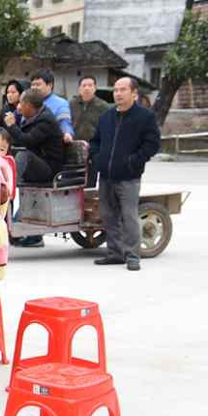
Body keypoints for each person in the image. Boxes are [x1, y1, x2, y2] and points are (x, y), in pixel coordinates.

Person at [90, 77, 161, 272]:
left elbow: (152, 144)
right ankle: (115, 253)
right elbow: (95, 141)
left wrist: (133, 161)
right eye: (116, 90)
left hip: (129, 177)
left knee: (129, 217)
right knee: (107, 215)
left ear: (134, 93)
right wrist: (97, 159)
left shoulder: (145, 117)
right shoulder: (106, 116)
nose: (118, 94)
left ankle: (132, 256)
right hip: (106, 176)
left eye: (123, 90)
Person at [3, 88, 65, 184]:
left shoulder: (46, 120)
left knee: (24, 155)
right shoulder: (31, 116)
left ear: (28, 106)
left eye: (21, 103)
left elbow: (27, 141)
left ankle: (12, 185)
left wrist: (12, 126)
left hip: (49, 167)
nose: (18, 107)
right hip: (38, 162)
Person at [71, 76, 110, 188]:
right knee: (73, 179)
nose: (87, 88)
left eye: (90, 85)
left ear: (95, 88)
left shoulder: (103, 106)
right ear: (79, 88)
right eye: (84, 85)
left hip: (94, 148)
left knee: (90, 181)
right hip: (74, 147)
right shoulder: (72, 104)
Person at [30, 69, 74, 144]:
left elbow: (64, 122)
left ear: (50, 85)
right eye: (32, 85)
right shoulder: (28, 102)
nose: (34, 87)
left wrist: (67, 133)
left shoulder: (61, 103)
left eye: (38, 85)